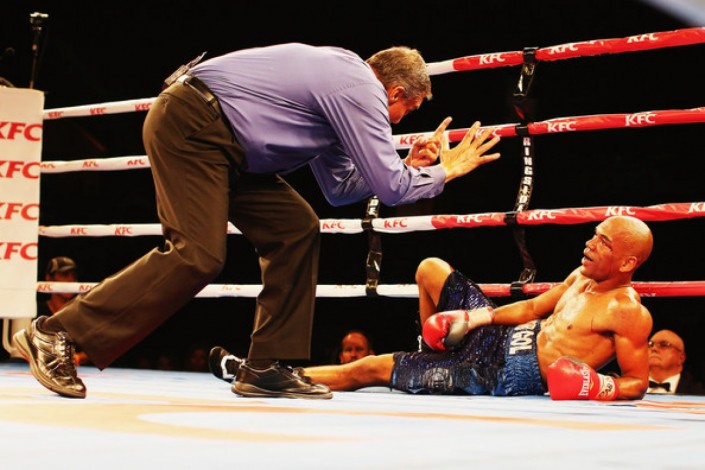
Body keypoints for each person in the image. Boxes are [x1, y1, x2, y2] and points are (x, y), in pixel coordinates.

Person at [14, 43, 501, 400]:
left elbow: (340, 189)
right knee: (198, 255)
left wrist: (411, 167)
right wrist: (446, 170)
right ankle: (58, 332)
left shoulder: (341, 91)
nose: (394, 122)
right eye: (403, 111)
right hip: (196, 127)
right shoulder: (359, 89)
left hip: (228, 148)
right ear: (393, 91)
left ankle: (266, 365)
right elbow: (391, 189)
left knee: (296, 227)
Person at [211, 215, 654, 400]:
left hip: (496, 374)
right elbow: (533, 308)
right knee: (430, 268)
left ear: (627, 263)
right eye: (594, 235)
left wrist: (598, 385)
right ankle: (433, 346)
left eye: (603, 242)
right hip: (496, 336)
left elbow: (637, 381)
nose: (589, 244)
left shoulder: (627, 312)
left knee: (368, 368)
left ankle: (258, 372)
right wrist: (475, 316)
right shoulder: (580, 277)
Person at [647, 329, 705, 395]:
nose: (654, 349)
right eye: (650, 344)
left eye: (664, 345)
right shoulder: (636, 386)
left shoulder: (700, 393)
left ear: (681, 358)